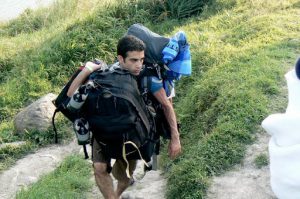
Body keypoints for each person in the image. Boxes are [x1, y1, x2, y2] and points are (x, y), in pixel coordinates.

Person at [67, 35, 181, 199]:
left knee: (124, 178)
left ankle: (121, 191)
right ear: (121, 58)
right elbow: (72, 95)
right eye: (134, 60)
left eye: (141, 60)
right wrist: (87, 70)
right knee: (99, 169)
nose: (139, 65)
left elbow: (167, 105)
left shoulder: (148, 78)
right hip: (103, 131)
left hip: (132, 135)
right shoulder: (104, 75)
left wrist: (175, 138)